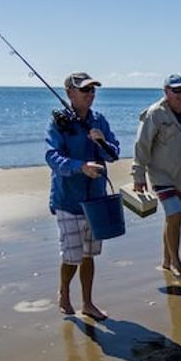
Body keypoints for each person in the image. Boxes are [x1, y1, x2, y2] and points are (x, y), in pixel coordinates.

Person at [45, 72, 120, 319]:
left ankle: (88, 303)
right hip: (68, 200)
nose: (90, 94)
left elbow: (114, 153)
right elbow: (52, 157)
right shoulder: (59, 123)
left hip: (95, 200)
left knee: (89, 255)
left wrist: (101, 142)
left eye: (92, 90)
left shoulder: (99, 120)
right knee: (72, 256)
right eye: (84, 90)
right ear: (69, 92)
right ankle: (64, 292)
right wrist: (80, 167)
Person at [132, 74, 181, 277]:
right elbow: (142, 145)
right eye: (176, 91)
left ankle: (166, 261)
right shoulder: (154, 114)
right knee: (173, 215)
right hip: (161, 175)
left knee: (175, 219)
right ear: (166, 91)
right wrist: (138, 175)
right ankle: (177, 262)